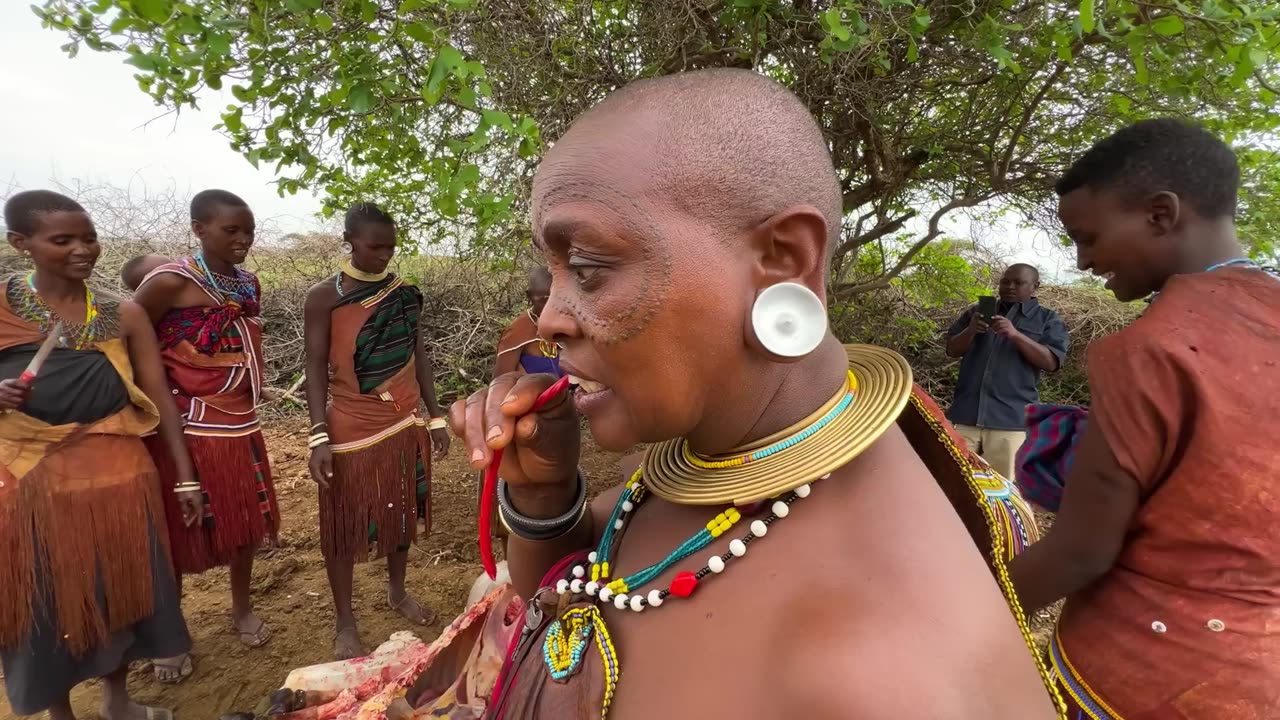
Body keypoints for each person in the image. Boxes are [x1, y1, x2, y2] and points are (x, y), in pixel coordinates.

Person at [450, 69, 1057, 719]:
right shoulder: (718, 452)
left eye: (591, 269)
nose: (550, 321)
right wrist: (545, 494)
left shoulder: (883, 674)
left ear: (784, 260)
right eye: (555, 272)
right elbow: (575, 584)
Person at [1009, 119, 1280, 719]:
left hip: (1134, 677)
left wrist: (970, 614)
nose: (1083, 261)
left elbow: (1082, 552)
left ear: (1161, 213)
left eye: (1089, 237)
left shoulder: (1150, 351)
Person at [0, 190, 200, 720]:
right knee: (50, 603)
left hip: (120, 473)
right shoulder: (0, 306)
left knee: (122, 591)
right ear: (21, 244)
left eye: (87, 237)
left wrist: (185, 478)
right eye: (61, 239)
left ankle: (118, 702)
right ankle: (60, 713)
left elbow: (159, 399)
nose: (81, 249)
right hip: (32, 478)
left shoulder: (123, 313)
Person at [132, 189, 278, 682]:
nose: (243, 240)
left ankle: (240, 610)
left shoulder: (246, 282)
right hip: (189, 425)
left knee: (244, 525)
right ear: (198, 229)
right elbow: (131, 341)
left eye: (248, 231)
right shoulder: (170, 281)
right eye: (230, 230)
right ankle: (170, 634)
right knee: (178, 531)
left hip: (241, 423)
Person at [303, 202, 451, 660]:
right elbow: (313, 364)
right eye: (374, 245)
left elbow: (418, 355)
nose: (384, 254)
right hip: (350, 424)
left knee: (401, 511)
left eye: (390, 246)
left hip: (403, 420)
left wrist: (436, 414)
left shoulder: (404, 293)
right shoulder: (324, 297)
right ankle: (345, 618)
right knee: (343, 524)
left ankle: (397, 590)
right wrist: (317, 434)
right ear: (349, 239)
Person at [944, 263, 1068, 480]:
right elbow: (952, 350)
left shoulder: (1047, 319)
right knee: (951, 482)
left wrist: (1015, 335)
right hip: (964, 417)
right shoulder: (977, 312)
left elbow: (1051, 362)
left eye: (1018, 282)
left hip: (1009, 423)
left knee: (1003, 491)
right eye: (1005, 281)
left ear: (1035, 286)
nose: (1010, 286)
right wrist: (971, 329)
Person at [493, 266, 563, 378]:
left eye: (555, 299)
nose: (550, 306)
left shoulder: (569, 325)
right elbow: (500, 381)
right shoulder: (517, 331)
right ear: (529, 296)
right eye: (544, 300)